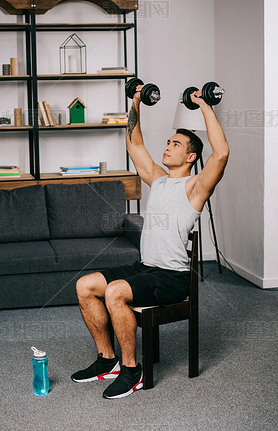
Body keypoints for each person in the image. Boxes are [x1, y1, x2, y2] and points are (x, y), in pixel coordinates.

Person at [71, 85, 229, 399]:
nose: (168, 147)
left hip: (173, 277)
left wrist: (203, 104)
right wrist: (136, 101)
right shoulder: (157, 179)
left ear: (191, 156)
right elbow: (134, 142)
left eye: (176, 144)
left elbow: (221, 153)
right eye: (169, 142)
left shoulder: (195, 187)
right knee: (85, 285)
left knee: (115, 292)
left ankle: (133, 371)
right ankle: (108, 360)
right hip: (145, 268)